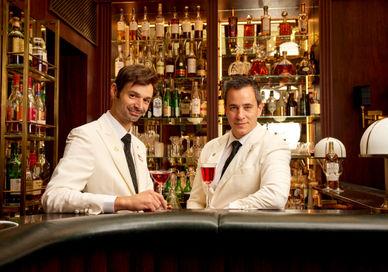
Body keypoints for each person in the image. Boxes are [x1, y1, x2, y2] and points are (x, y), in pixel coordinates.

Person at [41, 65, 167, 214]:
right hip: (104, 236)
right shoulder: (87, 136)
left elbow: (141, 201)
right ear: (114, 91)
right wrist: (121, 202)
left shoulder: (138, 145)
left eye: (146, 100)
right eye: (133, 96)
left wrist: (154, 204)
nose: (139, 106)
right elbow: (53, 197)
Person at [187, 76, 291, 209]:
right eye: (233, 108)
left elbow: (275, 196)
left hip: (243, 228)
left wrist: (228, 210)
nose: (240, 115)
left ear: (259, 108)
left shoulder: (274, 145)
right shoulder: (210, 147)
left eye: (247, 107)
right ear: (225, 110)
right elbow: (196, 200)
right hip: (207, 228)